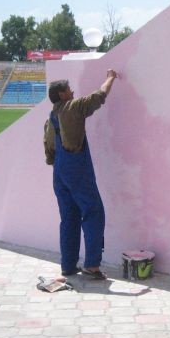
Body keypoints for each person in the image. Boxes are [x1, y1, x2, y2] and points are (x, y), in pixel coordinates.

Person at [47, 69, 119, 283]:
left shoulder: (52, 116)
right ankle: (92, 265)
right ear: (62, 94)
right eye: (68, 89)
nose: (72, 91)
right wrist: (111, 77)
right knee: (93, 212)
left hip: (59, 172)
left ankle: (68, 265)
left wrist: (59, 166)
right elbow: (98, 97)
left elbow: (49, 148)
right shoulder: (73, 108)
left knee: (69, 218)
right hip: (76, 168)